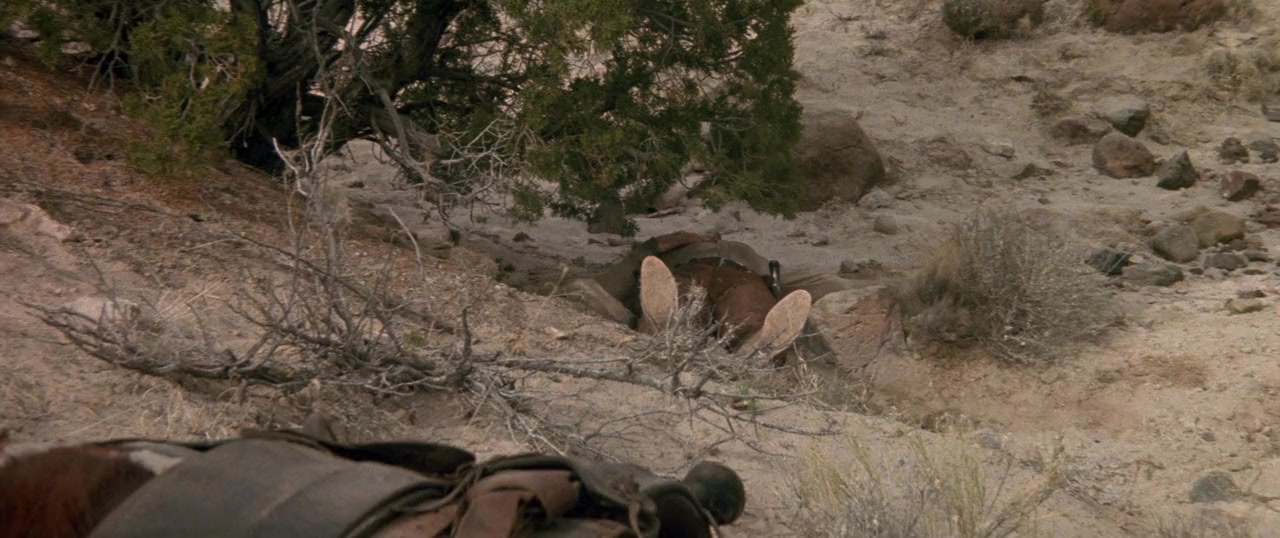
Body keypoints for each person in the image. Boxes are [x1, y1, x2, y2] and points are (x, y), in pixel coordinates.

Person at [565, 231, 854, 358]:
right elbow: (597, 286)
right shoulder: (659, 254)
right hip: (686, 271)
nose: (706, 236)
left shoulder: (750, 255)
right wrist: (652, 247)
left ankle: (757, 346)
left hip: (742, 277)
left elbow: (810, 282)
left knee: (750, 319)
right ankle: (662, 325)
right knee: (680, 312)